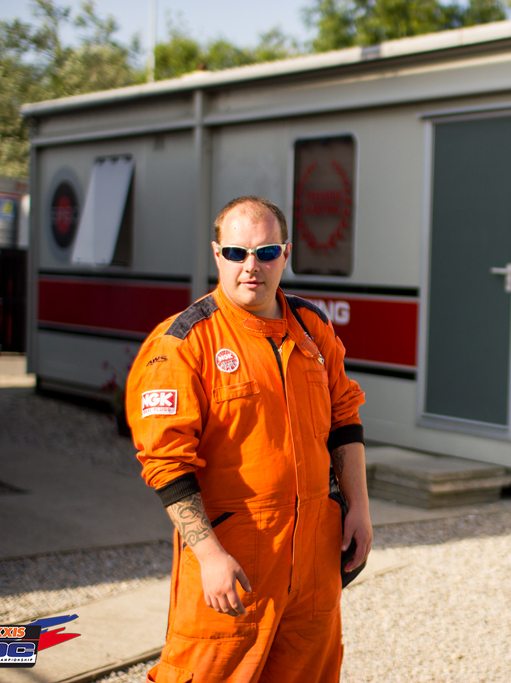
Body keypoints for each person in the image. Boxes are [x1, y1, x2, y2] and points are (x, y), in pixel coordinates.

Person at [126, 195, 372, 683]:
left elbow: (344, 420)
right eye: (237, 253)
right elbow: (166, 464)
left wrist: (360, 510)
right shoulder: (181, 344)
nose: (251, 266)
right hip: (233, 568)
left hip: (314, 568)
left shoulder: (312, 328)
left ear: (286, 255)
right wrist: (211, 556)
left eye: (266, 252)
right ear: (217, 254)